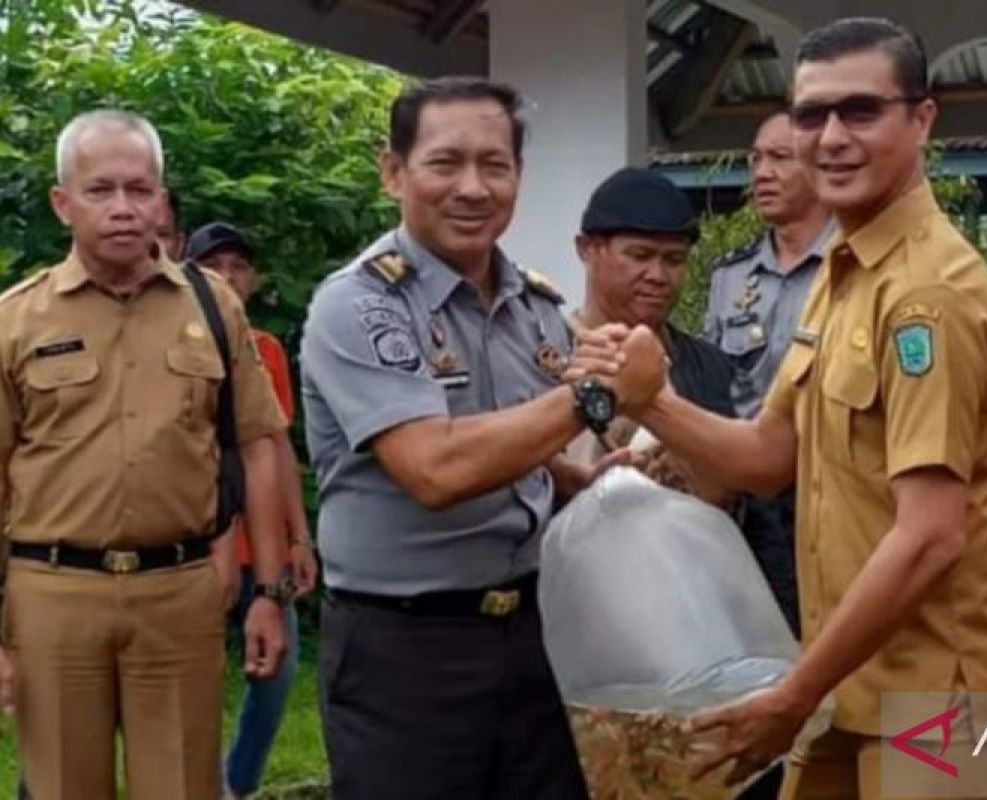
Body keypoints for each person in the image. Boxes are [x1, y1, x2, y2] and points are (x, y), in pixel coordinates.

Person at [569, 18, 987, 798]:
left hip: (929, 697)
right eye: (811, 115)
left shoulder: (928, 293)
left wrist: (792, 693)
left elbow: (930, 535)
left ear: (921, 119)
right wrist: (655, 405)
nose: (831, 137)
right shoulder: (844, 273)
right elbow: (770, 457)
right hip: (843, 676)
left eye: (860, 111)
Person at [300, 76, 662, 799]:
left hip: (531, 632)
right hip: (406, 651)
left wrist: (575, 479)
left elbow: (514, 440)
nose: (472, 187)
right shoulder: (361, 305)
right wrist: (600, 394)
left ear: (518, 176)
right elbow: (434, 467)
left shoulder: (535, 306)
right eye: (445, 163)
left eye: (494, 165)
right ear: (393, 171)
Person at [0, 109, 288, 800]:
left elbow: (260, 447)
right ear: (62, 202)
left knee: (186, 787)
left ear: (161, 199)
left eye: (140, 189)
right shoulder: (15, 318)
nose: (124, 209)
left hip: (180, 593)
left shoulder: (215, 307)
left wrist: (270, 593)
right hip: (54, 593)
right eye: (101, 191)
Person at [185, 221, 319, 800]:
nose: (228, 276)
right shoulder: (176, 338)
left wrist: (299, 537)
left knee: (278, 670)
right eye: (215, 265)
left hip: (261, 550)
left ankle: (238, 783)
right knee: (194, 678)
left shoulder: (264, 349)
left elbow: (275, 447)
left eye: (239, 265)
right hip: (195, 545)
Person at [704, 109, 835, 635]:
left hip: (831, 498)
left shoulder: (855, 269)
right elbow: (715, 387)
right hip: (750, 510)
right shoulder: (731, 278)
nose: (761, 172)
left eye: (780, 158)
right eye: (756, 159)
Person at [568, 166, 735, 501]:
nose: (658, 275)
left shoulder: (707, 367)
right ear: (587, 249)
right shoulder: (546, 356)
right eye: (639, 256)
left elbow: (743, 496)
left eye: (674, 259)